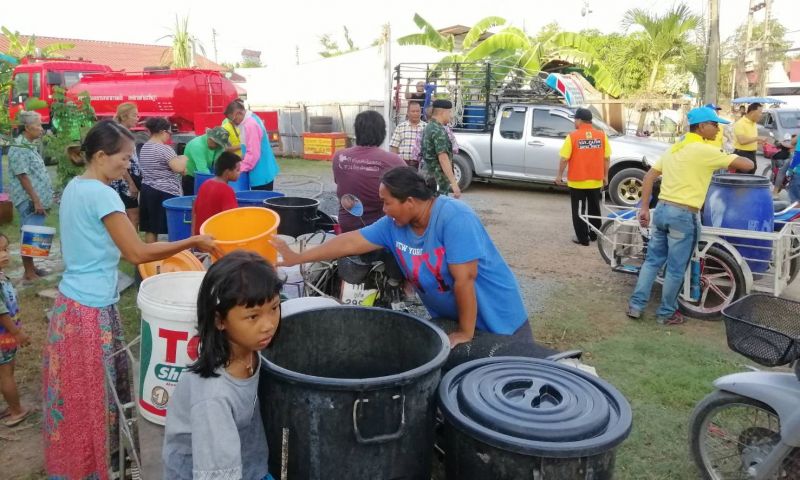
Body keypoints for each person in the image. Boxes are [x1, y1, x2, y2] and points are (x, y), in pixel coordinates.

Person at [44, 120, 218, 479]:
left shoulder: (75, 186)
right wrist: (193, 241)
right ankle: (98, 469)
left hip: (68, 307)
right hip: (92, 312)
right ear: (101, 155)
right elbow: (137, 253)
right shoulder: (104, 195)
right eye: (124, 158)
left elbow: (115, 249)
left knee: (75, 398)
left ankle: (74, 466)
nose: (128, 165)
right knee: (98, 398)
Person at [274, 166, 531, 348]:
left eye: (387, 203)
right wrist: (299, 257)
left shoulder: (454, 217)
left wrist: (465, 332)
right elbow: (349, 241)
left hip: (500, 321)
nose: (384, 210)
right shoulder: (392, 225)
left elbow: (465, 279)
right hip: (455, 322)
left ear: (409, 201)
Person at [626, 108, 754, 325]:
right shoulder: (704, 150)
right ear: (702, 126)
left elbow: (648, 177)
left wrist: (644, 208)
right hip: (684, 215)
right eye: (714, 124)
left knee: (652, 261)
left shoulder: (674, 149)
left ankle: (636, 306)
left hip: (663, 211)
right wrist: (726, 153)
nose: (717, 128)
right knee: (676, 269)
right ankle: (666, 314)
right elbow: (748, 165)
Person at [162, 251, 281, 480]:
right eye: (253, 316)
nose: (268, 325)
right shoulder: (213, 396)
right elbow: (216, 474)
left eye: (274, 308)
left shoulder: (249, 352)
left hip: (248, 464)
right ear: (219, 320)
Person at [333, 110, 405, 233]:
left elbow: (340, 182)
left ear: (357, 131)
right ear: (382, 133)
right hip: (378, 229)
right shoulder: (393, 160)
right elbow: (409, 191)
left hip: (347, 226)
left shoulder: (339, 156)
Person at [7, 110, 54, 283]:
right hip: (29, 200)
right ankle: (28, 273)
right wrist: (36, 200)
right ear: (27, 127)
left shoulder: (28, 145)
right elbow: (23, 176)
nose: (41, 128)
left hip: (36, 199)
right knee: (29, 234)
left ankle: (32, 268)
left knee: (33, 233)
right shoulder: (19, 147)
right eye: (38, 124)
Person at [555, 107, 610, 246]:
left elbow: (564, 159)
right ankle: (594, 235)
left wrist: (559, 176)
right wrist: (605, 176)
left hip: (577, 182)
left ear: (579, 120)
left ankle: (582, 238)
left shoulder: (573, 136)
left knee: (580, 211)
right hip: (596, 181)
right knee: (594, 209)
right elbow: (607, 158)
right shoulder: (602, 135)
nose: (574, 121)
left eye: (575, 119)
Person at [0, 233, 32, 428]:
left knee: (5, 373)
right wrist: (17, 333)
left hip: (6, 335)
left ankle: (10, 405)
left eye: (4, 249)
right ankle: (16, 410)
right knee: (6, 374)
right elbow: (1, 313)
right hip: (4, 336)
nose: (4, 254)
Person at [139, 117, 188, 243]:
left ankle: (150, 258)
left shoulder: (145, 147)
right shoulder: (164, 149)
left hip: (147, 189)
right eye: (169, 133)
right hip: (164, 192)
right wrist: (183, 158)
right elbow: (179, 168)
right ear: (162, 131)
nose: (169, 136)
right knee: (169, 227)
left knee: (150, 228)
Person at [225, 100, 280, 191]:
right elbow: (247, 148)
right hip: (263, 171)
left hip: (261, 174)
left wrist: (239, 169)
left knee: (260, 202)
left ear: (239, 113)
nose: (234, 123)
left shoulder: (250, 125)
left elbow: (253, 154)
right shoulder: (252, 118)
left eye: (233, 120)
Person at [110, 102, 143, 228]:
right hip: (123, 181)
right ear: (124, 117)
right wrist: (131, 183)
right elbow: (120, 162)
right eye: (134, 115)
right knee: (133, 216)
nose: (137, 118)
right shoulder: (120, 135)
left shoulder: (122, 132)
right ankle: (131, 245)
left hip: (127, 179)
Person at [193, 152, 241, 235]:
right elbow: (231, 218)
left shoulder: (205, 184)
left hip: (201, 236)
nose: (240, 173)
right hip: (214, 239)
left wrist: (193, 237)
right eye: (237, 170)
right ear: (227, 172)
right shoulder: (227, 190)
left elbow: (194, 211)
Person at [422, 99, 461, 198]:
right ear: (443, 112)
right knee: (437, 208)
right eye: (450, 112)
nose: (451, 116)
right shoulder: (438, 130)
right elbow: (443, 158)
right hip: (437, 180)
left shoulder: (429, 127)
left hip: (428, 177)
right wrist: (454, 183)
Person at [182, 127, 230, 195]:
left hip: (209, 175)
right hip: (191, 178)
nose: (219, 147)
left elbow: (220, 163)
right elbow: (202, 170)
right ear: (210, 139)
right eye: (217, 144)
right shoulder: (197, 146)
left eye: (221, 145)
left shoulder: (218, 146)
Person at [732, 102, 768, 174]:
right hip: (742, 154)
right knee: (741, 180)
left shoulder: (753, 123)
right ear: (752, 112)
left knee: (750, 178)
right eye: (760, 112)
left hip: (752, 154)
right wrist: (757, 138)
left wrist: (759, 142)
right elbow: (742, 141)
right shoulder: (740, 123)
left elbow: (749, 139)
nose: (761, 115)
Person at [390, 102, 427, 168]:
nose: (415, 113)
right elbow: (394, 147)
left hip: (421, 165)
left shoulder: (426, 127)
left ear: (421, 112)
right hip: (403, 164)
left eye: (418, 111)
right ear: (408, 112)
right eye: (413, 111)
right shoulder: (400, 127)